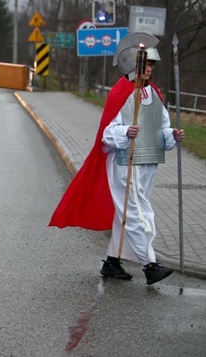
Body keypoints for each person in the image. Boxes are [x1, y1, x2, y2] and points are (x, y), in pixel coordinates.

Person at [50, 40, 185, 286]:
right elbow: (107, 133)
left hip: (146, 164)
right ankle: (150, 264)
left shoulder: (152, 92)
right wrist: (125, 133)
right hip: (124, 162)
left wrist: (172, 136)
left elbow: (161, 126)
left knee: (129, 211)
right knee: (136, 212)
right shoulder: (121, 92)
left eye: (151, 64)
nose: (149, 69)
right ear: (131, 65)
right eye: (145, 64)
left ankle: (112, 261)